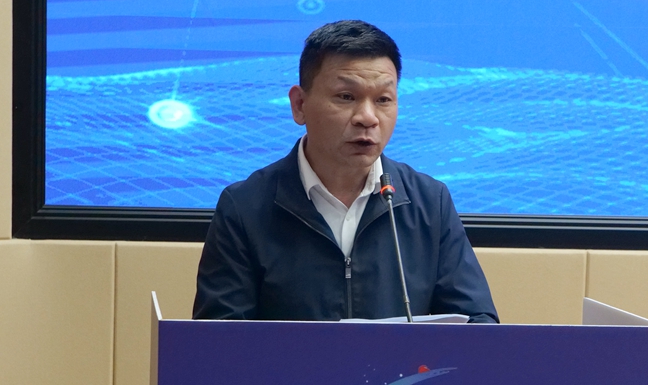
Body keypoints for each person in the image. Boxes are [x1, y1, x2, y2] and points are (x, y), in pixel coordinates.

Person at [193, 20, 498, 323]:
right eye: (346, 97)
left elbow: (479, 326)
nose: (367, 117)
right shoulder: (245, 207)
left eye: (383, 100)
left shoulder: (429, 202)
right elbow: (218, 340)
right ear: (299, 105)